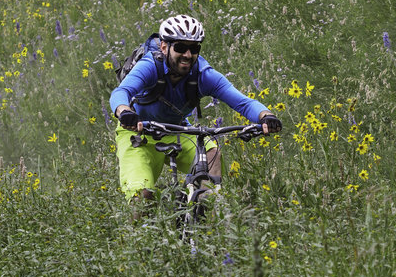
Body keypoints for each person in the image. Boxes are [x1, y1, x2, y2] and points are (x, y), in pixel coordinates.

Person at [109, 14, 282, 202]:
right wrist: (125, 112)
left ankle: (205, 222)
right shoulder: (150, 66)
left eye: (194, 48)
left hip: (178, 129)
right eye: (181, 48)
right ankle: (143, 229)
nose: (188, 55)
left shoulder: (202, 73)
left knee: (212, 155)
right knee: (141, 197)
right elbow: (121, 92)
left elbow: (243, 102)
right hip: (139, 132)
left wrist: (266, 116)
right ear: (164, 47)